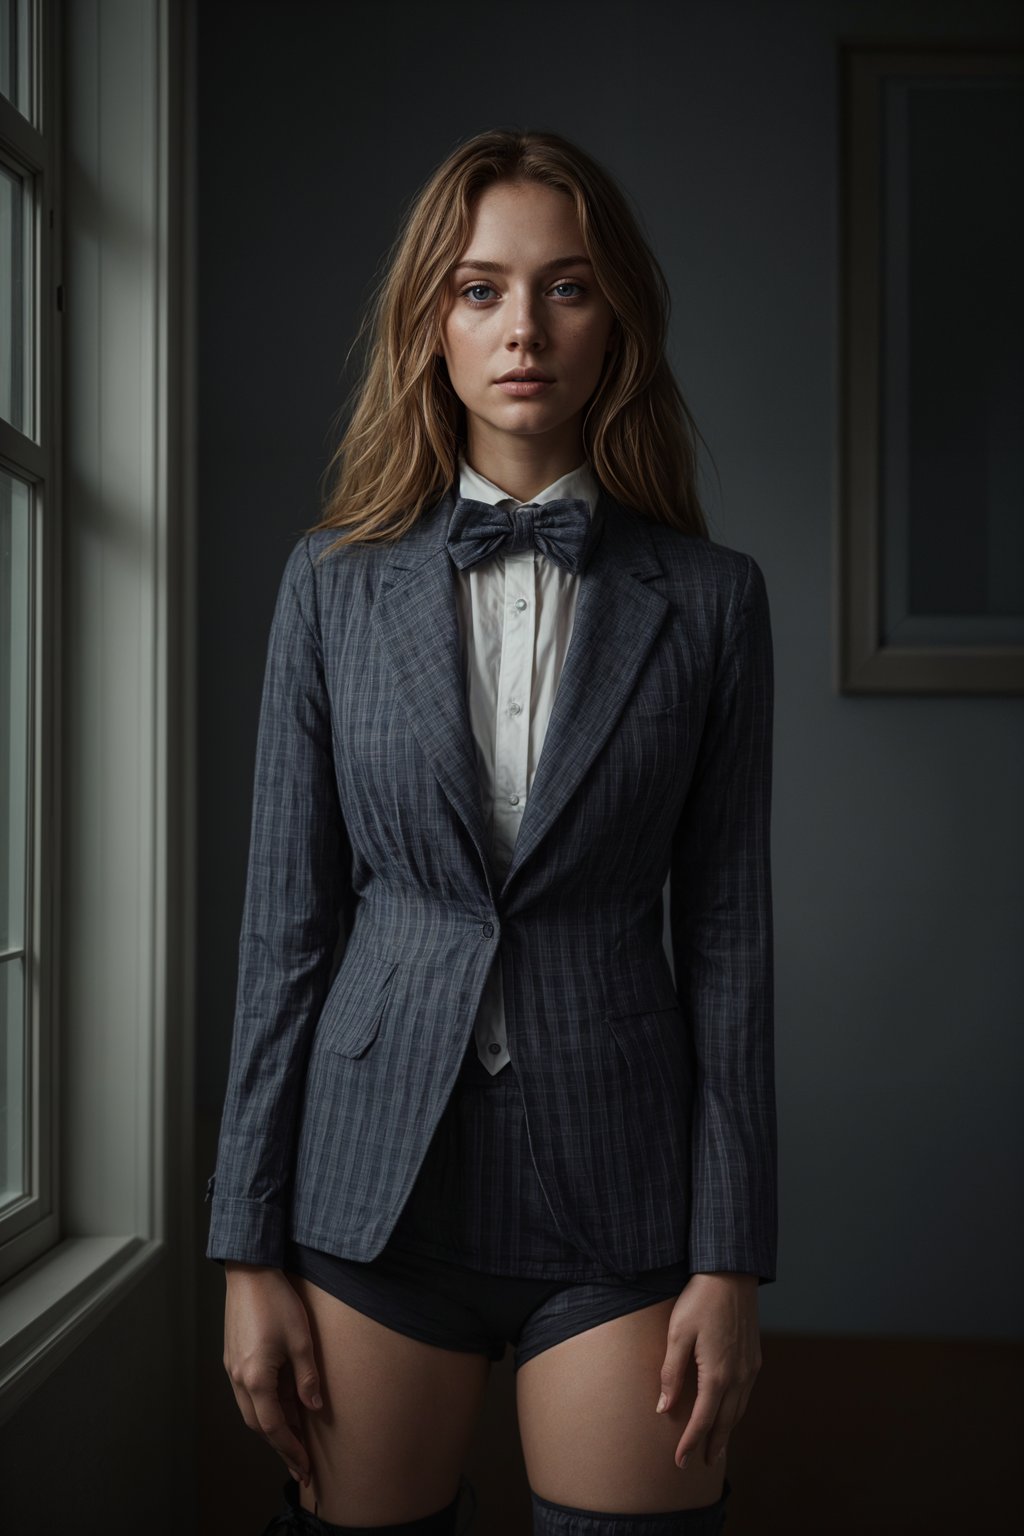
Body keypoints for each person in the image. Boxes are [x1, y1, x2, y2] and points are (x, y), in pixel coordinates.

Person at [205, 127, 777, 1536]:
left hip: (625, 1188)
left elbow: (729, 944)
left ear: (617, 318)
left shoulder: (712, 602)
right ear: (432, 322)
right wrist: (245, 1251)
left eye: (566, 287)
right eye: (479, 288)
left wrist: (732, 1260)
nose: (523, 326)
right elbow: (286, 928)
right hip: (369, 1189)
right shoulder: (329, 589)